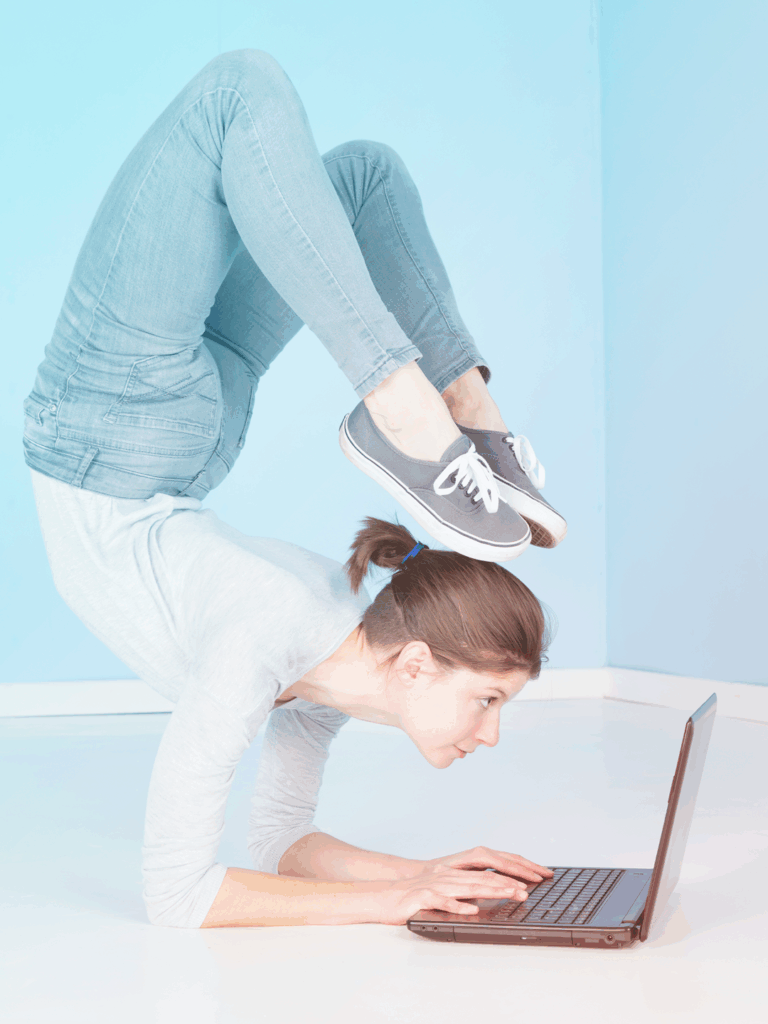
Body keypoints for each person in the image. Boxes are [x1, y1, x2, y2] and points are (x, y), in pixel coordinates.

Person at [24, 49, 560, 928]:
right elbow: (178, 898)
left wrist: (421, 875)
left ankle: (455, 411)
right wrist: (397, 901)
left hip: (175, 442)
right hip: (111, 427)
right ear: (418, 663)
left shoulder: (319, 675)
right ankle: (419, 404)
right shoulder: (274, 642)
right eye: (489, 699)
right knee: (250, 100)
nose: (490, 734)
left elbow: (278, 841)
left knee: (353, 174)